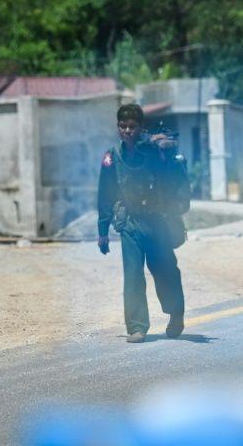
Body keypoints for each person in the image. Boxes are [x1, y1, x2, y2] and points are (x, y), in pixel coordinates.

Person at [97, 104, 190, 343]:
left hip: (158, 221)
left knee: (165, 270)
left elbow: (172, 179)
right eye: (123, 126)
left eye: (132, 126)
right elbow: (105, 193)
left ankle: (175, 313)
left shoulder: (155, 150)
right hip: (130, 222)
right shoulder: (113, 156)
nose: (127, 130)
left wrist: (165, 152)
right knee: (133, 275)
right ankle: (137, 327)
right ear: (118, 128)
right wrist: (103, 230)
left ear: (140, 127)